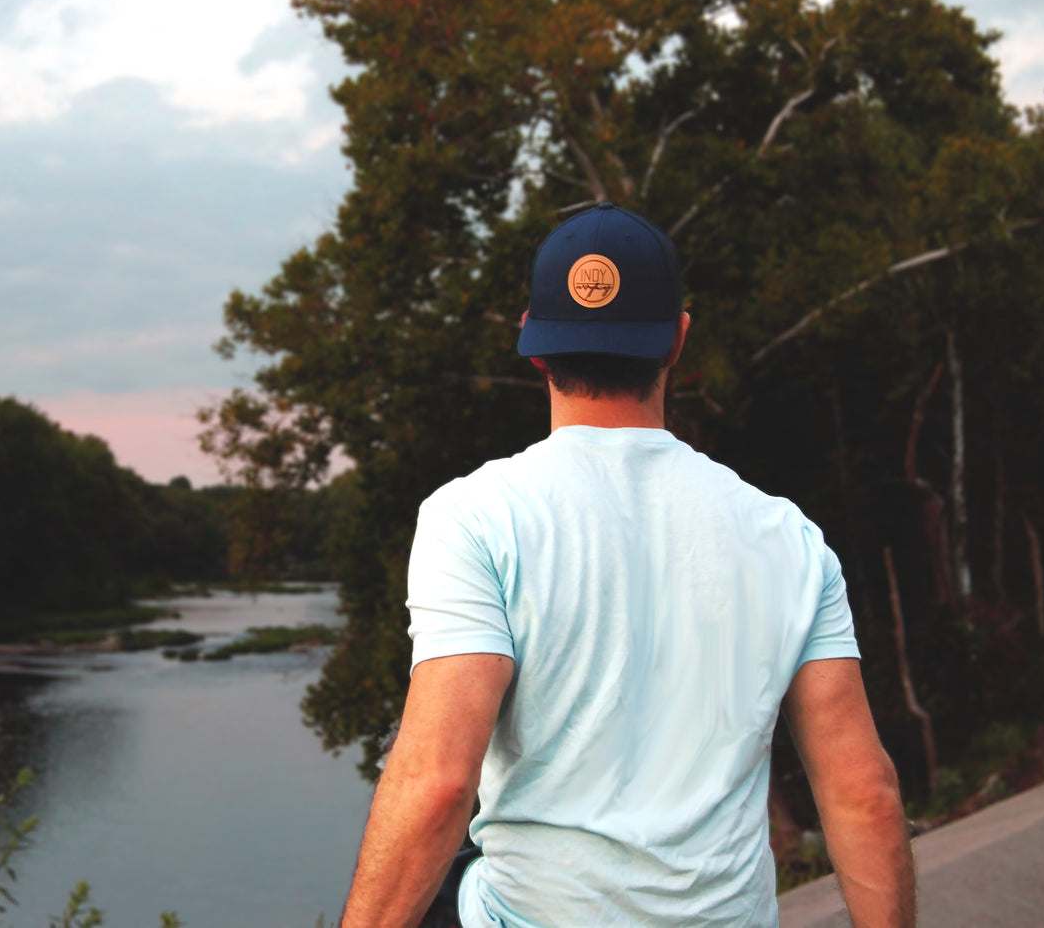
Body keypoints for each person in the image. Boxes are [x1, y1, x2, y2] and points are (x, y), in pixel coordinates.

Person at [339, 203, 915, 928]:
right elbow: (863, 791)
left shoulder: (476, 517)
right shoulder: (789, 536)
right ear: (676, 340)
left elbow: (436, 784)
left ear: (533, 343)